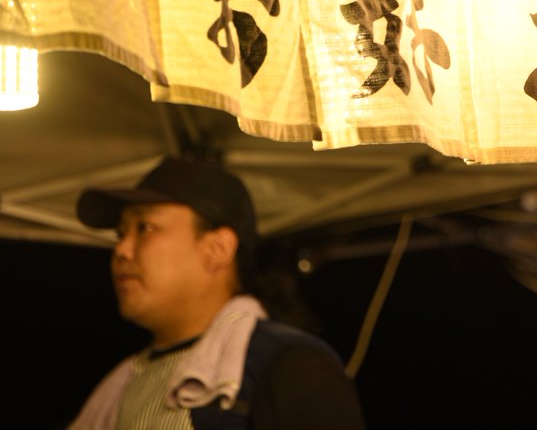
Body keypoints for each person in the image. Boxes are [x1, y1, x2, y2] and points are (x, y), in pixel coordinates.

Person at [69, 156, 365, 429]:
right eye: (121, 234)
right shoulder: (128, 379)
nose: (121, 249)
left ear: (217, 249)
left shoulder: (291, 367)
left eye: (145, 227)